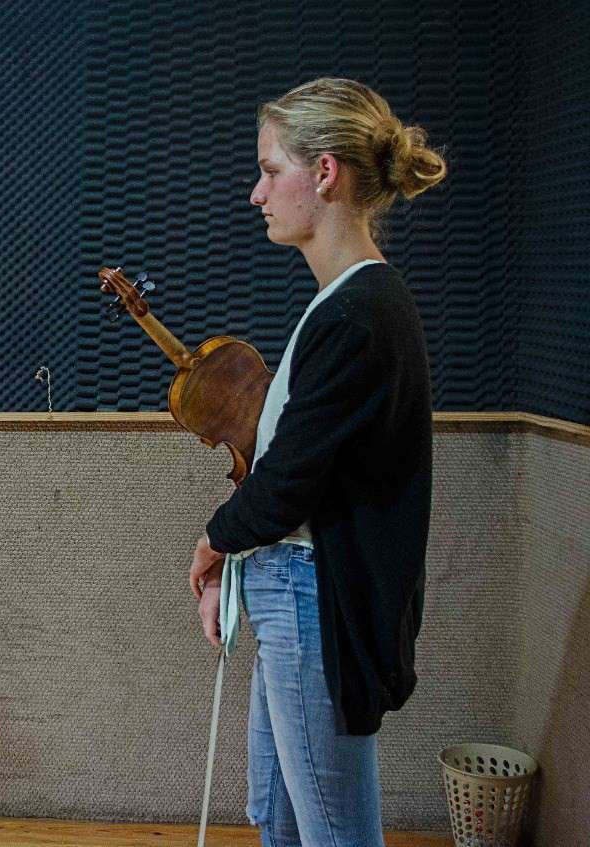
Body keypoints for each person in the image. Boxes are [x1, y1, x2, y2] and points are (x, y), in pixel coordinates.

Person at [188, 78, 447, 846]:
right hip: (296, 595)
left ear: (325, 172)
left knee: (334, 836)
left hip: (310, 602)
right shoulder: (348, 304)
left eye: (272, 170)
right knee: (281, 821)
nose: (257, 192)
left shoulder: (360, 311)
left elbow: (286, 481)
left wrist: (212, 542)